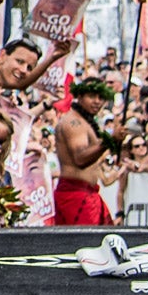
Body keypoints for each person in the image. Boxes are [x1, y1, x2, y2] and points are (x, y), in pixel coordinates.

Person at [50, 77, 114, 226]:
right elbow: (80, 159)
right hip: (76, 197)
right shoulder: (74, 123)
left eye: (101, 97)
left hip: (86, 195)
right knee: (85, 245)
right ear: (79, 96)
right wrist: (107, 142)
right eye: (92, 96)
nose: (97, 101)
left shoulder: (85, 123)